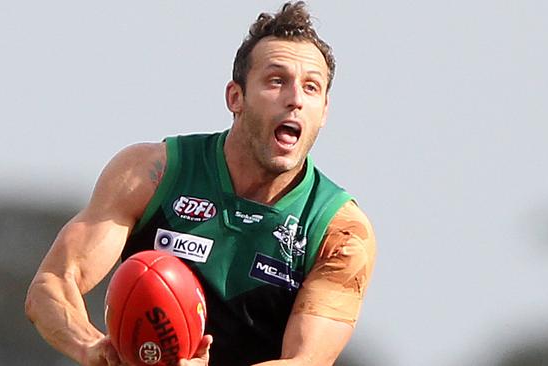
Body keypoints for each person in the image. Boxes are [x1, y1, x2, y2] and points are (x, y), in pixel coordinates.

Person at [25, 2, 376, 365]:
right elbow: (51, 283)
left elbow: (305, 362)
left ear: (324, 112)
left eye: (311, 88)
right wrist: (90, 347)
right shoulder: (153, 172)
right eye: (276, 81)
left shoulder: (341, 231)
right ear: (235, 97)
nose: (295, 100)